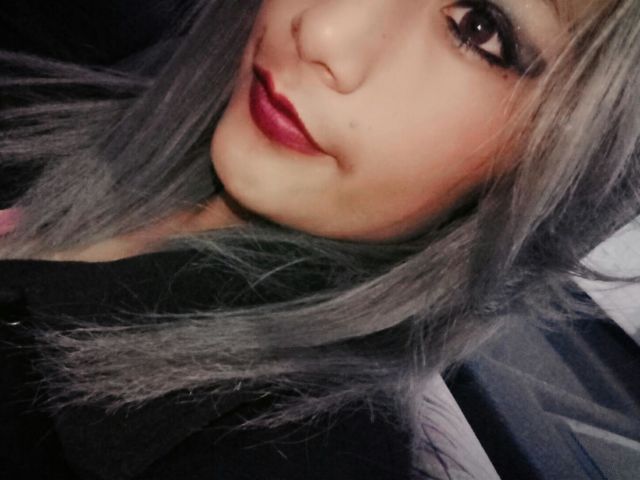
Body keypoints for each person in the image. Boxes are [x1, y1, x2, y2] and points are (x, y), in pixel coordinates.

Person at [0, 0, 638, 478]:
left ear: (557, 169)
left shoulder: (288, 453)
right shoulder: (65, 102)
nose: (324, 30)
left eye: (478, 28)